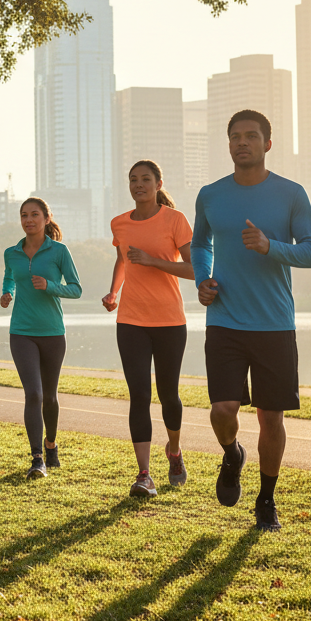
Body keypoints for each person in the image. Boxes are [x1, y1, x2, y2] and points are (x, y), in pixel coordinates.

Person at [193, 109, 311, 532]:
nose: (242, 142)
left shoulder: (291, 194)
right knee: (221, 409)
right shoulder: (210, 195)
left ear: (268, 144)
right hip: (225, 320)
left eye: (251, 136)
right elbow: (199, 246)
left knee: (272, 419)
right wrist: (203, 280)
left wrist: (271, 246)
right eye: (235, 136)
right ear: (228, 144)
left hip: (274, 324)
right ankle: (232, 454)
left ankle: (266, 500)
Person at [103, 161, 194, 498]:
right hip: (130, 321)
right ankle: (143, 475)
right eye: (133, 180)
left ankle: (174, 450)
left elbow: (195, 269)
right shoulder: (120, 223)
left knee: (168, 394)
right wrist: (114, 291)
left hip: (170, 321)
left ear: (158, 183)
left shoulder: (175, 220)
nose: (138, 184)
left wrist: (155, 261)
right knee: (139, 394)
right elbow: (123, 259)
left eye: (145, 179)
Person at [0, 197, 81, 480]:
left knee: (49, 397)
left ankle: (51, 445)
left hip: (53, 333)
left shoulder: (59, 251)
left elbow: (76, 289)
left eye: (35, 215)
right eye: (24, 215)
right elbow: (10, 277)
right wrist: (7, 292)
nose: (28, 220)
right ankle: (37, 458)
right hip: (21, 331)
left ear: (47, 218)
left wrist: (50, 286)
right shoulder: (12, 252)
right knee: (32, 393)